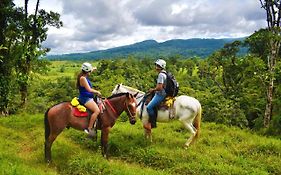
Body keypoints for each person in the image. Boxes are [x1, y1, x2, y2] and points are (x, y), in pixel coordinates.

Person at [76, 62, 101, 137]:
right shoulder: (83, 79)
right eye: (90, 71)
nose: (90, 72)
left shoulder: (83, 75)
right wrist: (97, 92)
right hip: (85, 98)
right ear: (87, 72)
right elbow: (89, 89)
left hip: (87, 96)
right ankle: (89, 128)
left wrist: (93, 69)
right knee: (97, 111)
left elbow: (90, 71)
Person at [145, 59, 167, 129]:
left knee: (149, 107)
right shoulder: (165, 73)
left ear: (161, 66)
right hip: (164, 92)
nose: (156, 67)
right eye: (156, 65)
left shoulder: (161, 75)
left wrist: (153, 89)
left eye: (158, 66)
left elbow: (159, 87)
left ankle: (153, 123)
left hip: (161, 94)